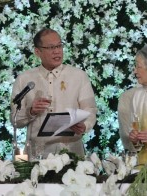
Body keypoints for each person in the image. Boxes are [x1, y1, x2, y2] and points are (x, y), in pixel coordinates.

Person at [10, 28, 97, 160]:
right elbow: (15, 120)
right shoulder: (25, 79)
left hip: (71, 150)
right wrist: (31, 111)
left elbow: (90, 109)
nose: (57, 51)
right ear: (37, 51)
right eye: (51, 47)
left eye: (59, 46)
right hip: (37, 153)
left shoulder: (78, 76)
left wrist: (84, 125)